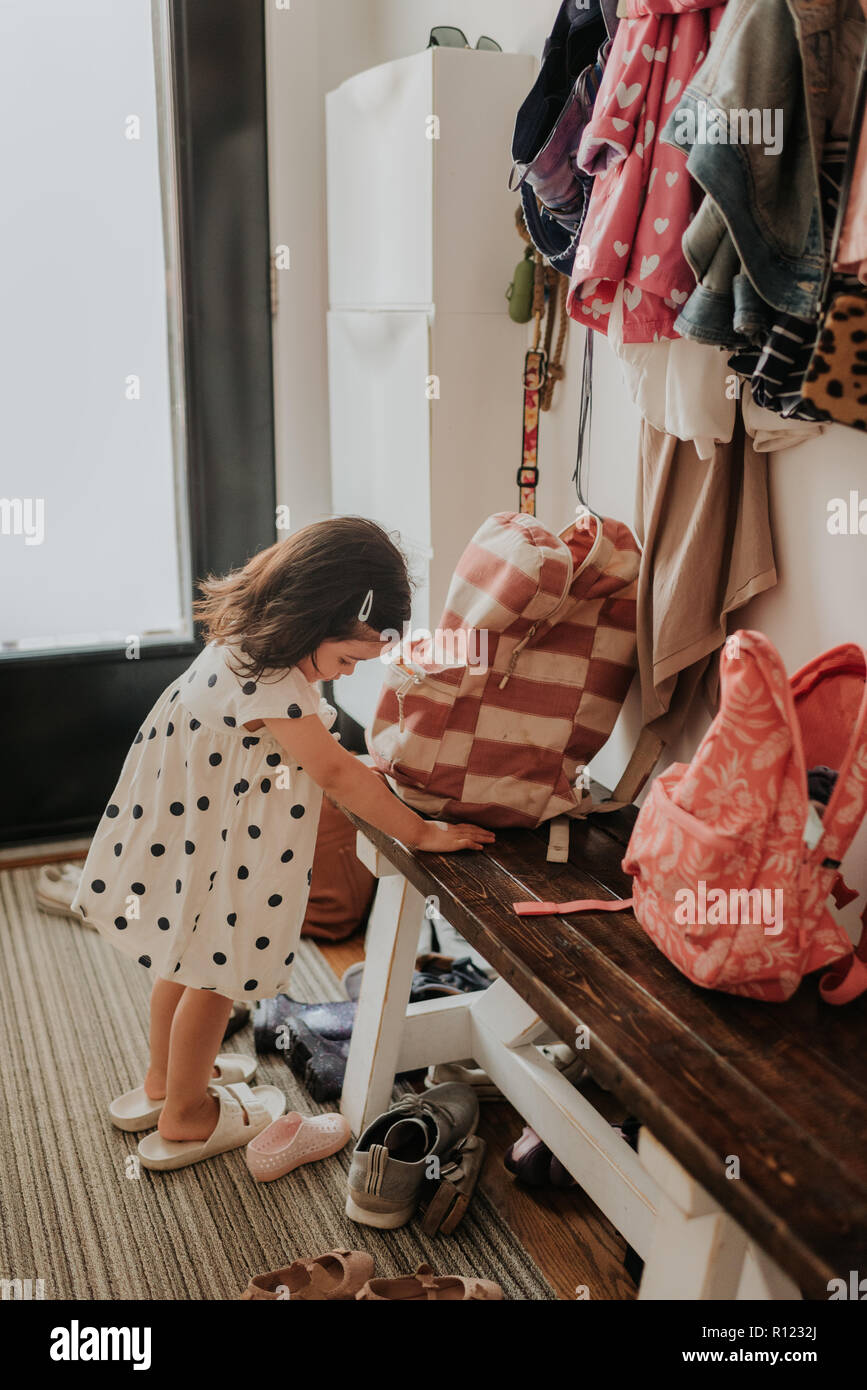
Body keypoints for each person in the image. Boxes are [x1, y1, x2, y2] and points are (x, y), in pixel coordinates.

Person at [71, 517, 494, 1169]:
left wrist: (345, 757)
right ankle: (187, 1113)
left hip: (191, 845)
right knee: (216, 981)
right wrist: (418, 831)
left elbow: (304, 751)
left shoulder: (244, 643)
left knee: (179, 968)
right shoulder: (275, 686)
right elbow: (329, 771)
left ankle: (164, 1083)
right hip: (226, 856)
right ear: (311, 618)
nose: (347, 673)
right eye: (348, 660)